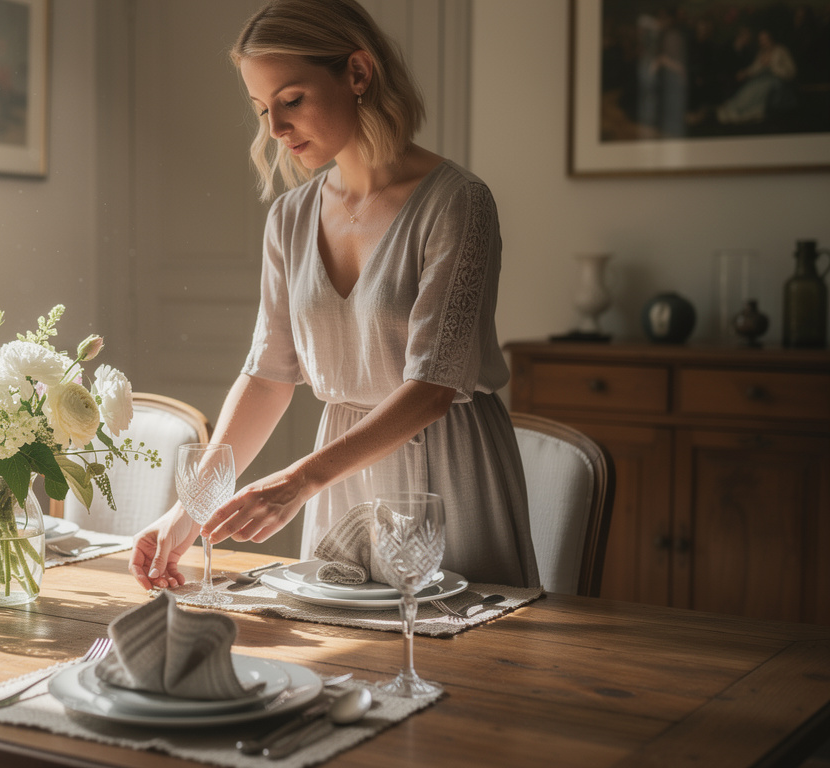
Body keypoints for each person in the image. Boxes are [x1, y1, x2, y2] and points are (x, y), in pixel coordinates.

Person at [129, 0, 539, 592]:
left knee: (467, 668)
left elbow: (434, 386)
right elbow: (269, 375)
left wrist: (298, 481)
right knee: (344, 670)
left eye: (291, 99)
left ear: (357, 73)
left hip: (446, 471)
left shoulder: (458, 202)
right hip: (339, 480)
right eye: (262, 108)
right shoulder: (289, 218)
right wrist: (189, 508)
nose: (274, 128)